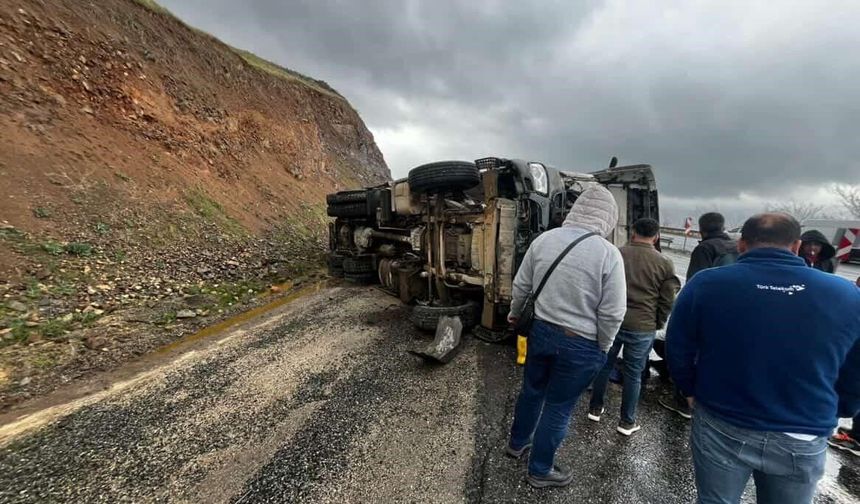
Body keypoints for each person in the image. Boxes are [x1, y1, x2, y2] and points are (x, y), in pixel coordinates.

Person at [666, 213, 860, 504]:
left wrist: (690, 389)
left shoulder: (707, 284)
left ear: (741, 245)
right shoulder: (846, 294)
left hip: (722, 419)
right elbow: (855, 366)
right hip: (803, 430)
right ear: (796, 246)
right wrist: (841, 406)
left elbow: (678, 345)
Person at [506, 185, 626, 488]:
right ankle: (540, 470)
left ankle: (517, 443)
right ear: (609, 218)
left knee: (532, 391)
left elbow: (522, 285)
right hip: (581, 344)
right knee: (558, 407)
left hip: (541, 331)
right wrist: (604, 345)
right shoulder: (609, 254)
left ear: (576, 209)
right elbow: (612, 312)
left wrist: (514, 313)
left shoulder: (544, 240)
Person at [588, 217, 680, 435]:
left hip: (612, 320)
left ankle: (595, 409)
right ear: (656, 236)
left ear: (633, 232)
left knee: (604, 364)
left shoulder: (616, 253)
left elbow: (599, 287)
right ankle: (627, 422)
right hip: (643, 326)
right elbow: (667, 299)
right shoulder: (664, 263)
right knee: (633, 373)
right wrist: (657, 322)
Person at [661, 212, 739, 419]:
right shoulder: (736, 247)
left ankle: (684, 401)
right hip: (732, 311)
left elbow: (695, 282)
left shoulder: (705, 248)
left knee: (688, 351)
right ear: (722, 227)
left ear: (701, 230)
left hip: (708, 309)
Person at [685, 212, 738, 280]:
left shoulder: (704, 249)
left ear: (701, 230)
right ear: (723, 228)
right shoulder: (737, 246)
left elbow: (694, 281)